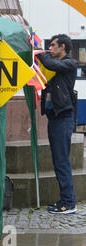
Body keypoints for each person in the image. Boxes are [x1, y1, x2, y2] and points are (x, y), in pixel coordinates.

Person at [36, 34, 78, 214]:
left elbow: (52, 64)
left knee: (62, 162)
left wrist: (38, 53)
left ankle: (69, 203)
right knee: (57, 160)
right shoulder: (55, 67)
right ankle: (64, 200)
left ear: (62, 47)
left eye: (52, 46)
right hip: (54, 117)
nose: (50, 49)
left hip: (63, 118)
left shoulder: (69, 63)